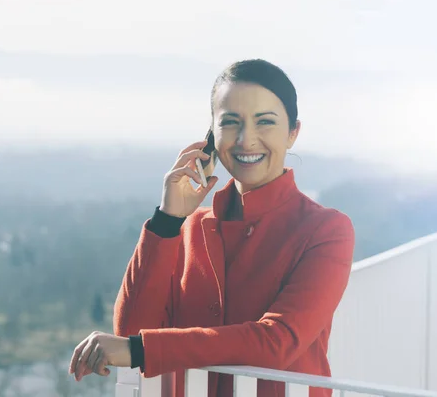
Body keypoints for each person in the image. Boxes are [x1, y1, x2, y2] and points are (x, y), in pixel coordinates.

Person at [69, 59, 355, 397]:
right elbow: (132, 330)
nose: (247, 140)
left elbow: (277, 340)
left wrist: (142, 350)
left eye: (265, 122)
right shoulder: (187, 230)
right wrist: (167, 220)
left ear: (293, 132)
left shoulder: (327, 230)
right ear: (211, 136)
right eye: (231, 122)